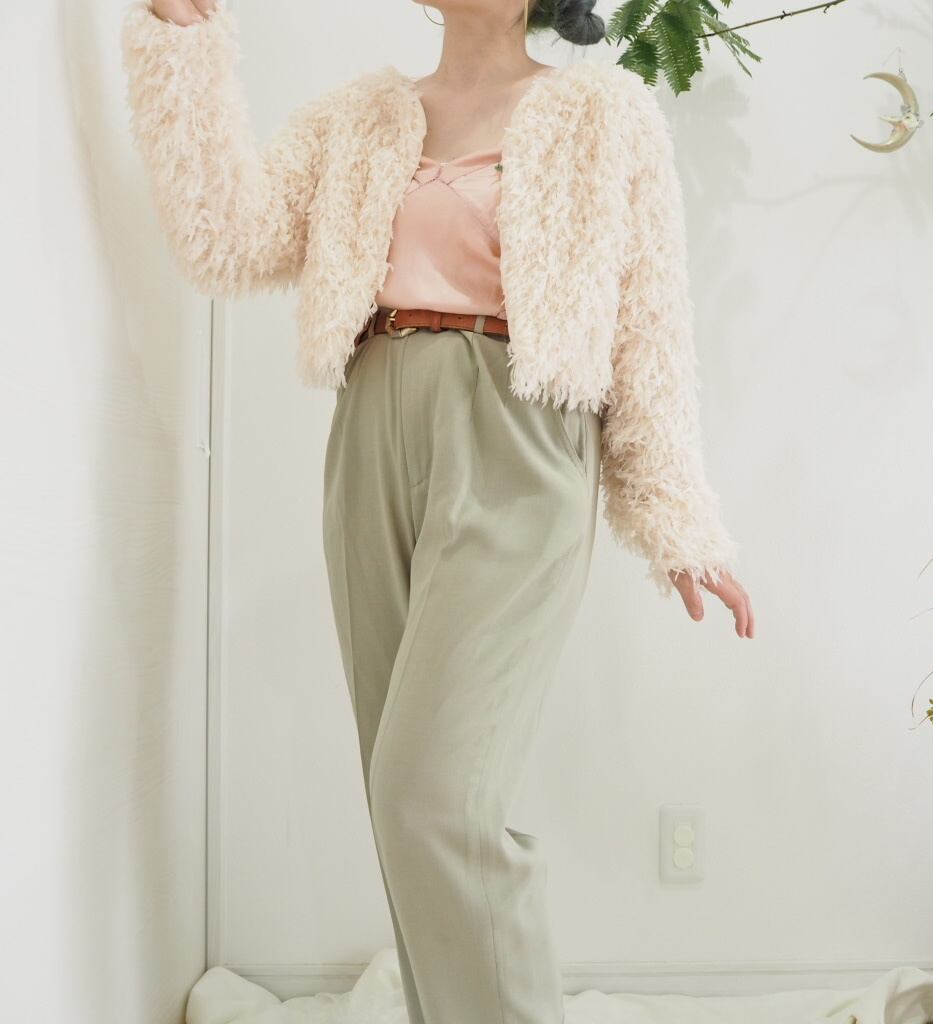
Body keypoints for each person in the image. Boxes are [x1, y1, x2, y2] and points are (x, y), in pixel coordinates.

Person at [121, 1, 756, 1021]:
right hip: (372, 426)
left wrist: (676, 518)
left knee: (434, 796)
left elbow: (648, 324)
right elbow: (226, 239)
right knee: (398, 800)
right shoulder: (360, 117)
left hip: (519, 436)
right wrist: (182, 37)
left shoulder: (604, 113)